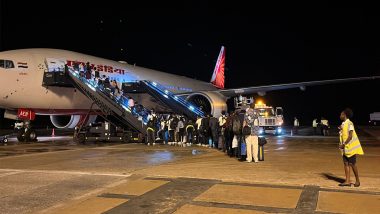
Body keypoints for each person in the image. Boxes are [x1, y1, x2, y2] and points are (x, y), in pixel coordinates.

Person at [338, 108, 364, 187]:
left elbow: (350, 135)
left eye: (341, 114)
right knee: (346, 163)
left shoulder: (350, 123)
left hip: (350, 148)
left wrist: (344, 144)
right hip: (345, 148)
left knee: (353, 164)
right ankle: (347, 181)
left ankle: (358, 181)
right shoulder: (343, 124)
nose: (340, 116)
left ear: (345, 115)